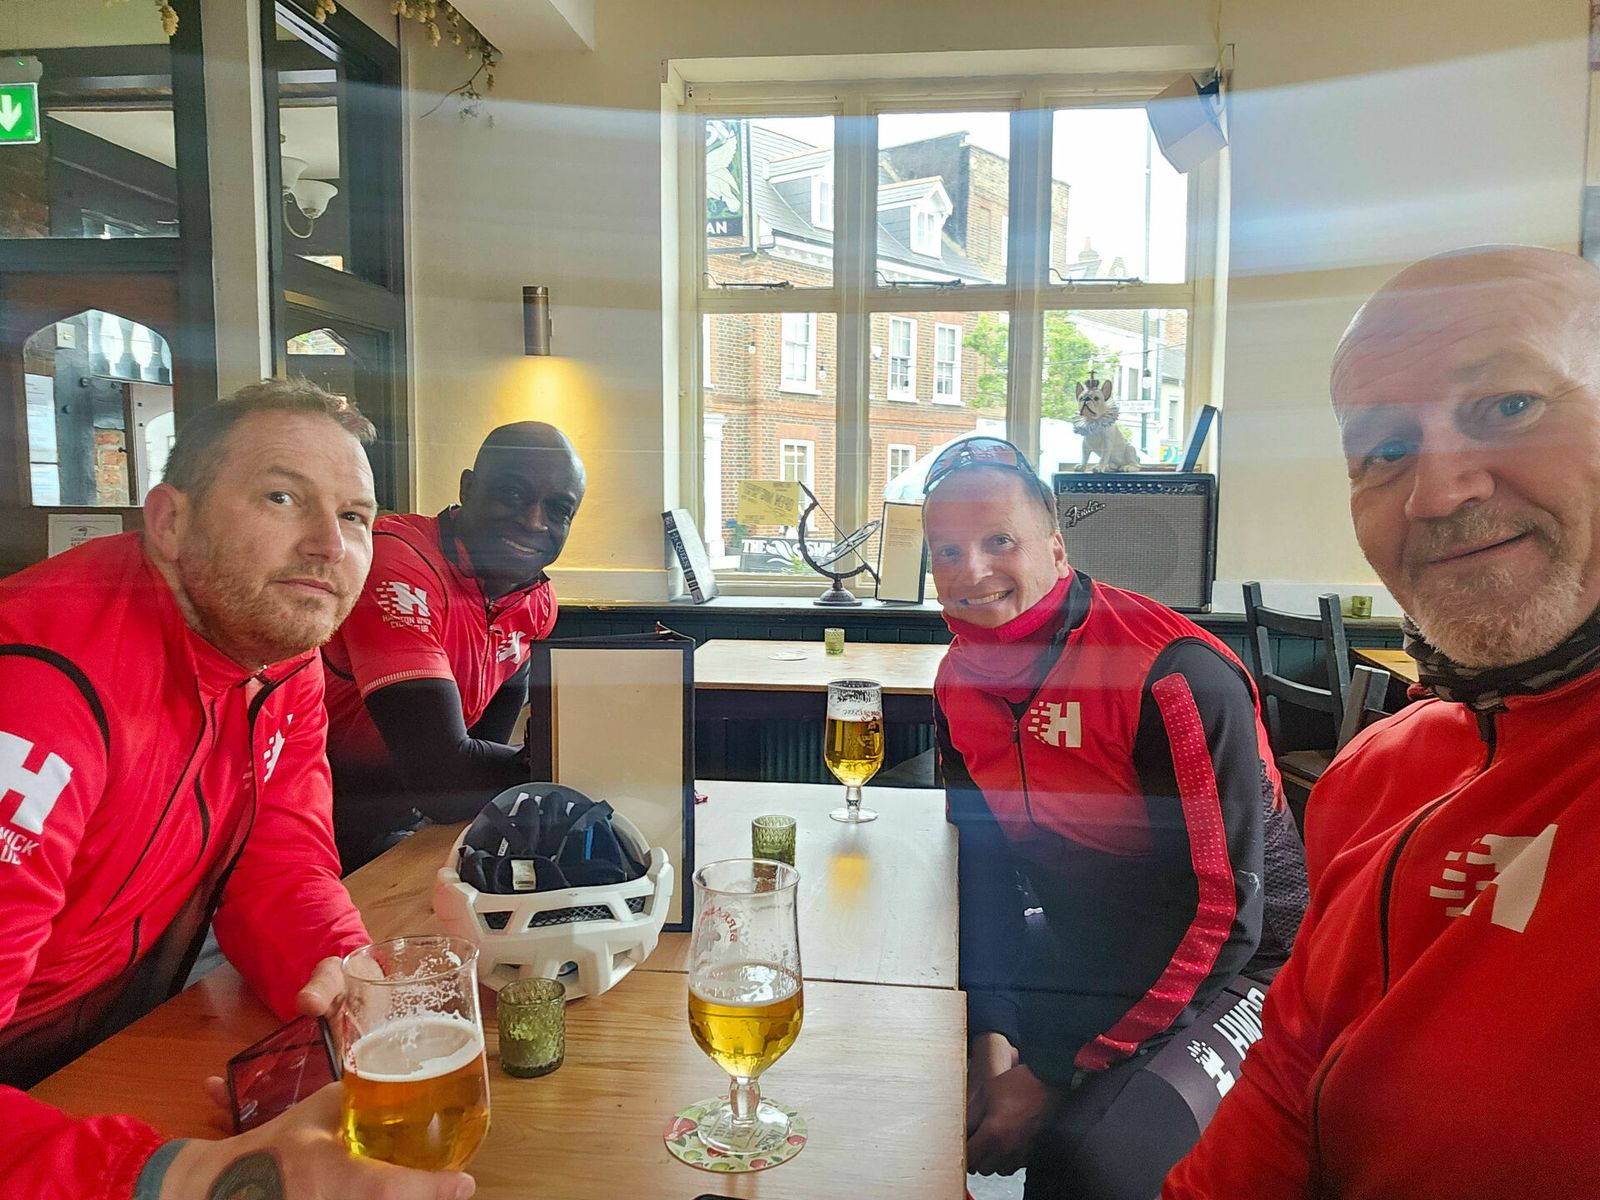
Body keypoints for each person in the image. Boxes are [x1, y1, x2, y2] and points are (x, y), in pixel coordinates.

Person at [1164, 245, 1600, 1199]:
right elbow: (1290, 1076)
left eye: (1510, 405)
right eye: (1386, 450)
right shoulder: (1374, 774)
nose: (1436, 493)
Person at [0, 379, 473, 1199]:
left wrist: (343, 979)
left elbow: (281, 861)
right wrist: (189, 1178)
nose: (329, 544)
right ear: (169, 521)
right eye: (282, 497)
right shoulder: (39, 687)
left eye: (355, 516)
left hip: (111, 1039)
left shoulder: (276, 651)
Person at [924, 437, 1307, 1200]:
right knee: (920, 1054)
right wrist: (991, 1029)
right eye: (947, 551)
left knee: (1088, 1158)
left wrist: (1052, 1069)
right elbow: (985, 871)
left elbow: (1221, 913)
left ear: (1056, 548)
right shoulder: (958, 682)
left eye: (999, 541)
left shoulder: (1173, 672)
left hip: (1249, 965)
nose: (972, 571)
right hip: (1089, 941)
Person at [322, 422, 586, 869]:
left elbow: (478, 768)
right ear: (467, 488)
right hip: (317, 831)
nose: (533, 521)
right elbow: (442, 778)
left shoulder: (536, 602)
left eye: (559, 509)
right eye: (513, 493)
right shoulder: (397, 560)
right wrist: (577, 761)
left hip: (408, 832)